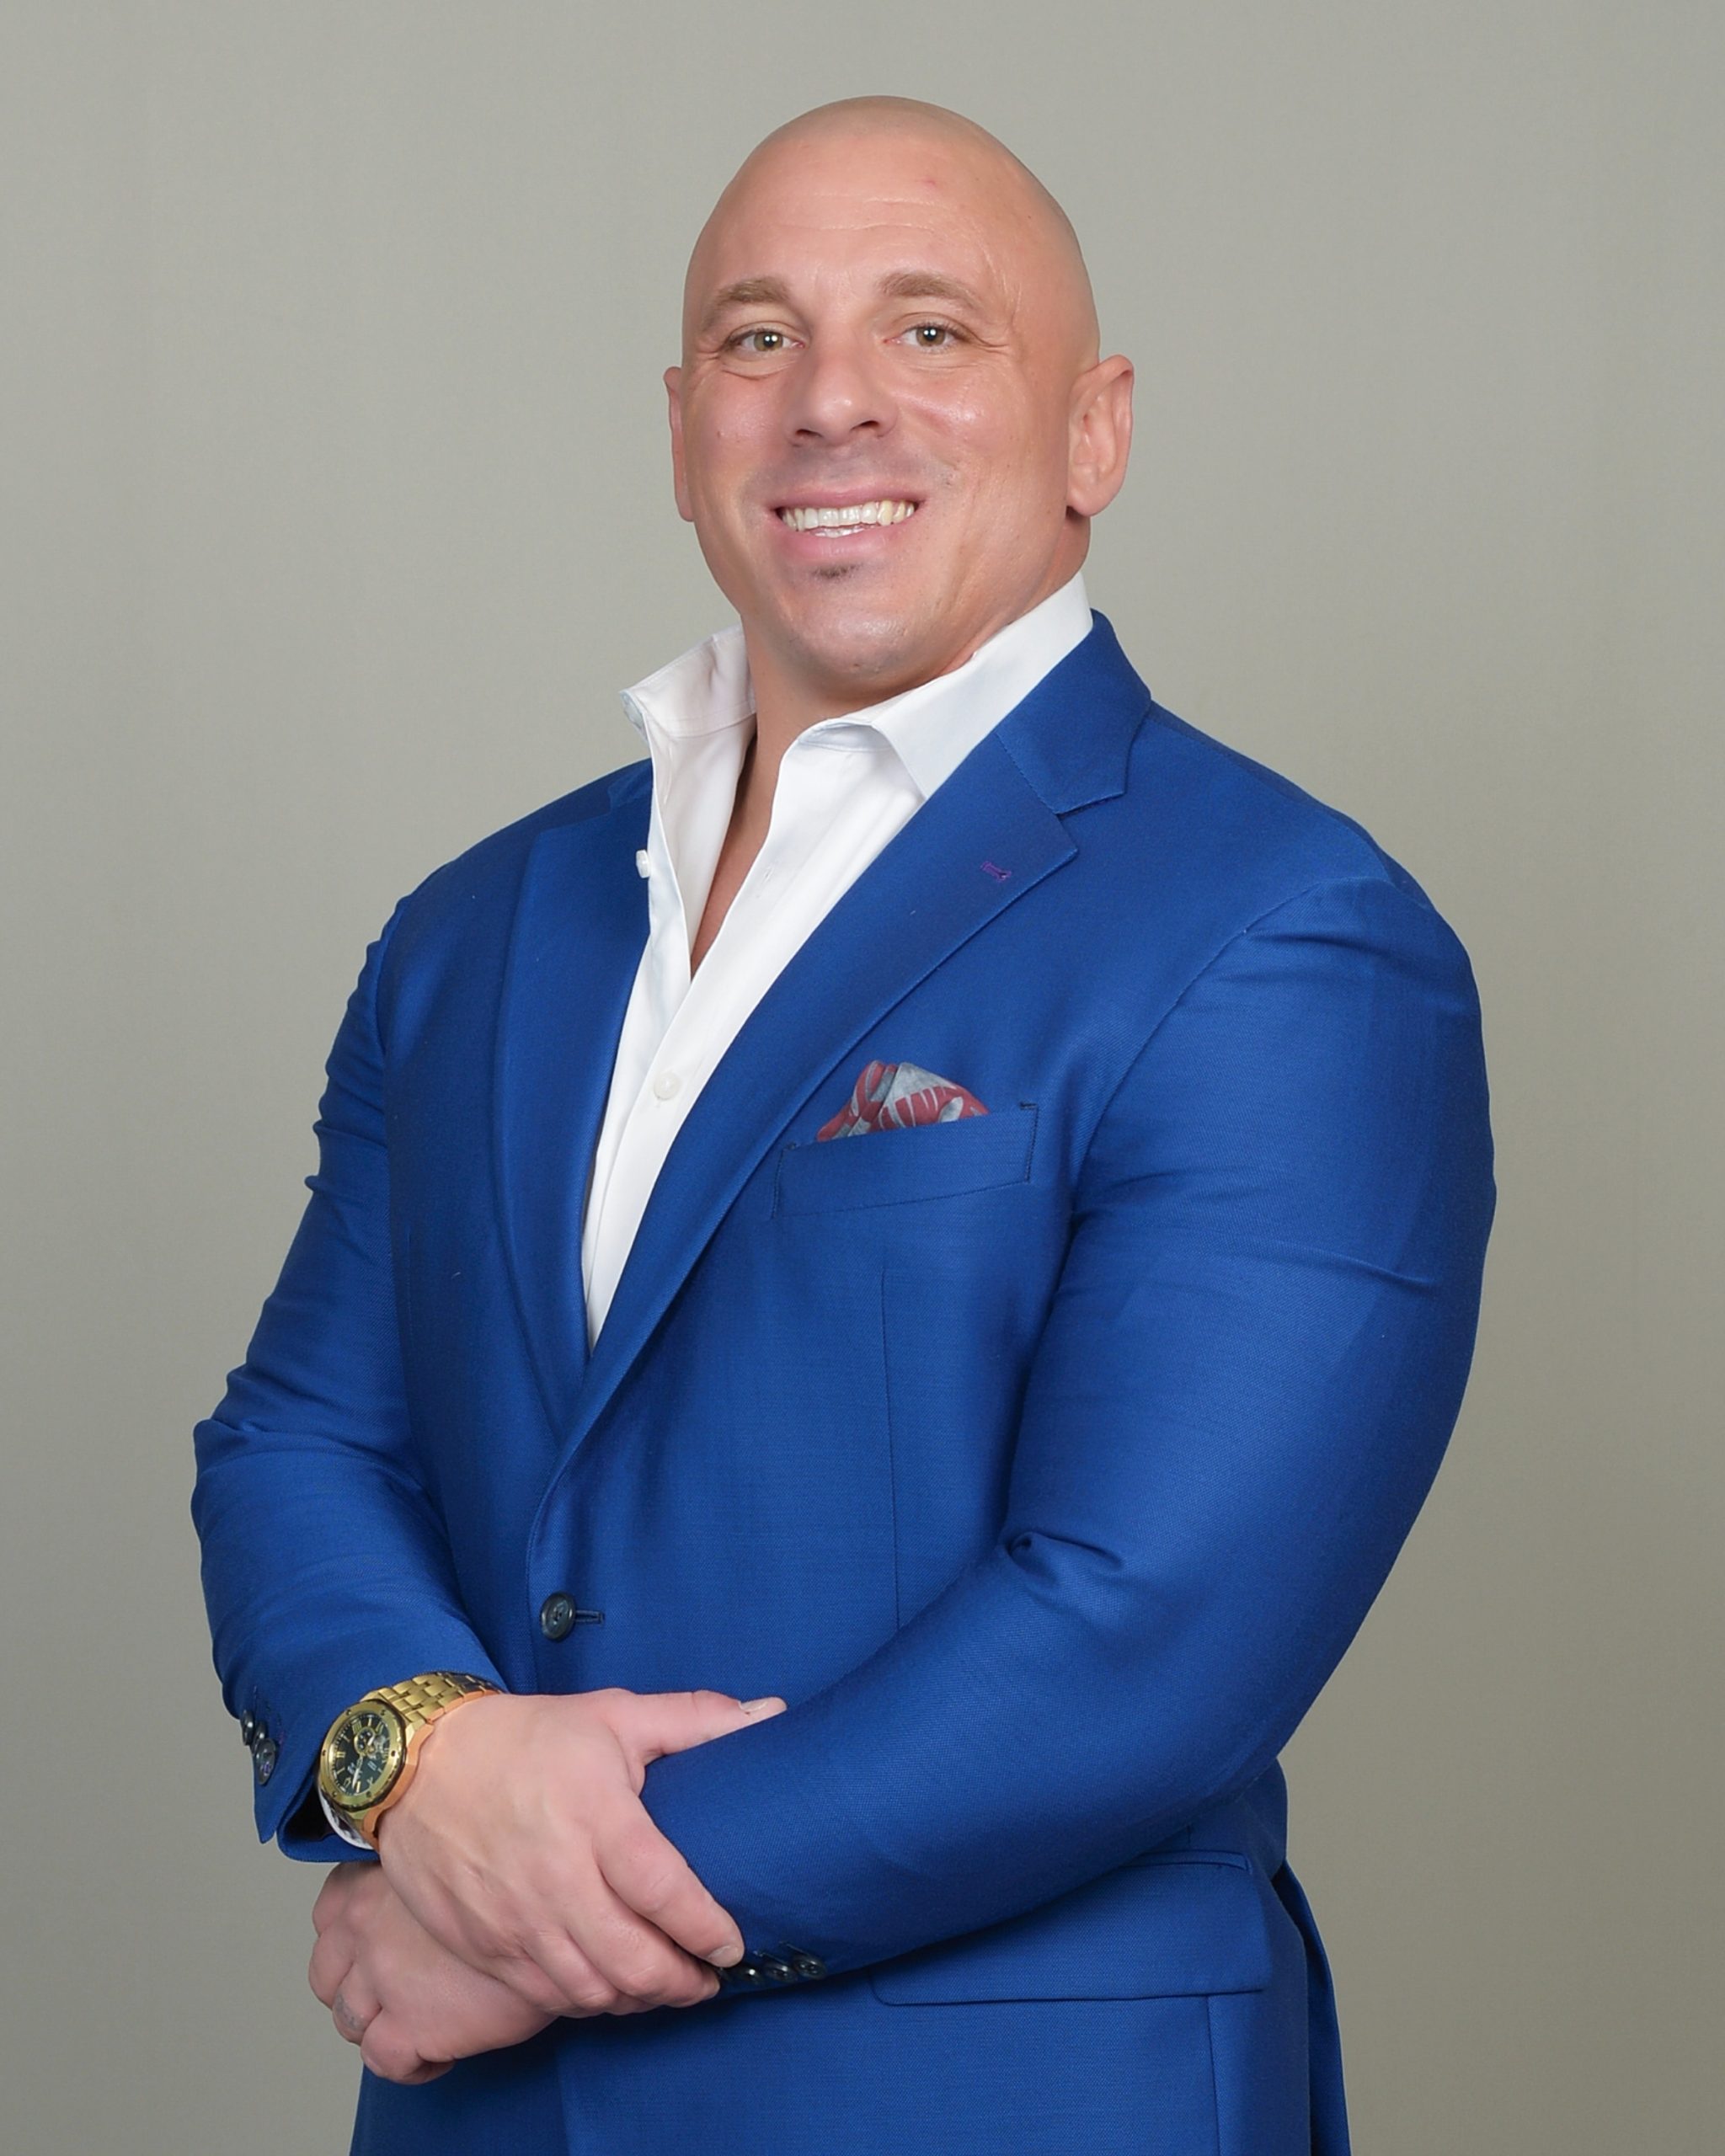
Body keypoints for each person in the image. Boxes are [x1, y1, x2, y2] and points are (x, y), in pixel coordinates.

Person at [193, 94, 1495, 2156]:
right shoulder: (475, 929)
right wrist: (416, 1762)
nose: (829, 402)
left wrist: (528, 1919)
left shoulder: (1287, 929)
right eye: (757, 336)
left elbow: (1140, 1635)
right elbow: (301, 1439)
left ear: (1095, 430)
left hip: (1007, 2102)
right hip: (491, 2116)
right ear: (682, 426)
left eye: (932, 330)